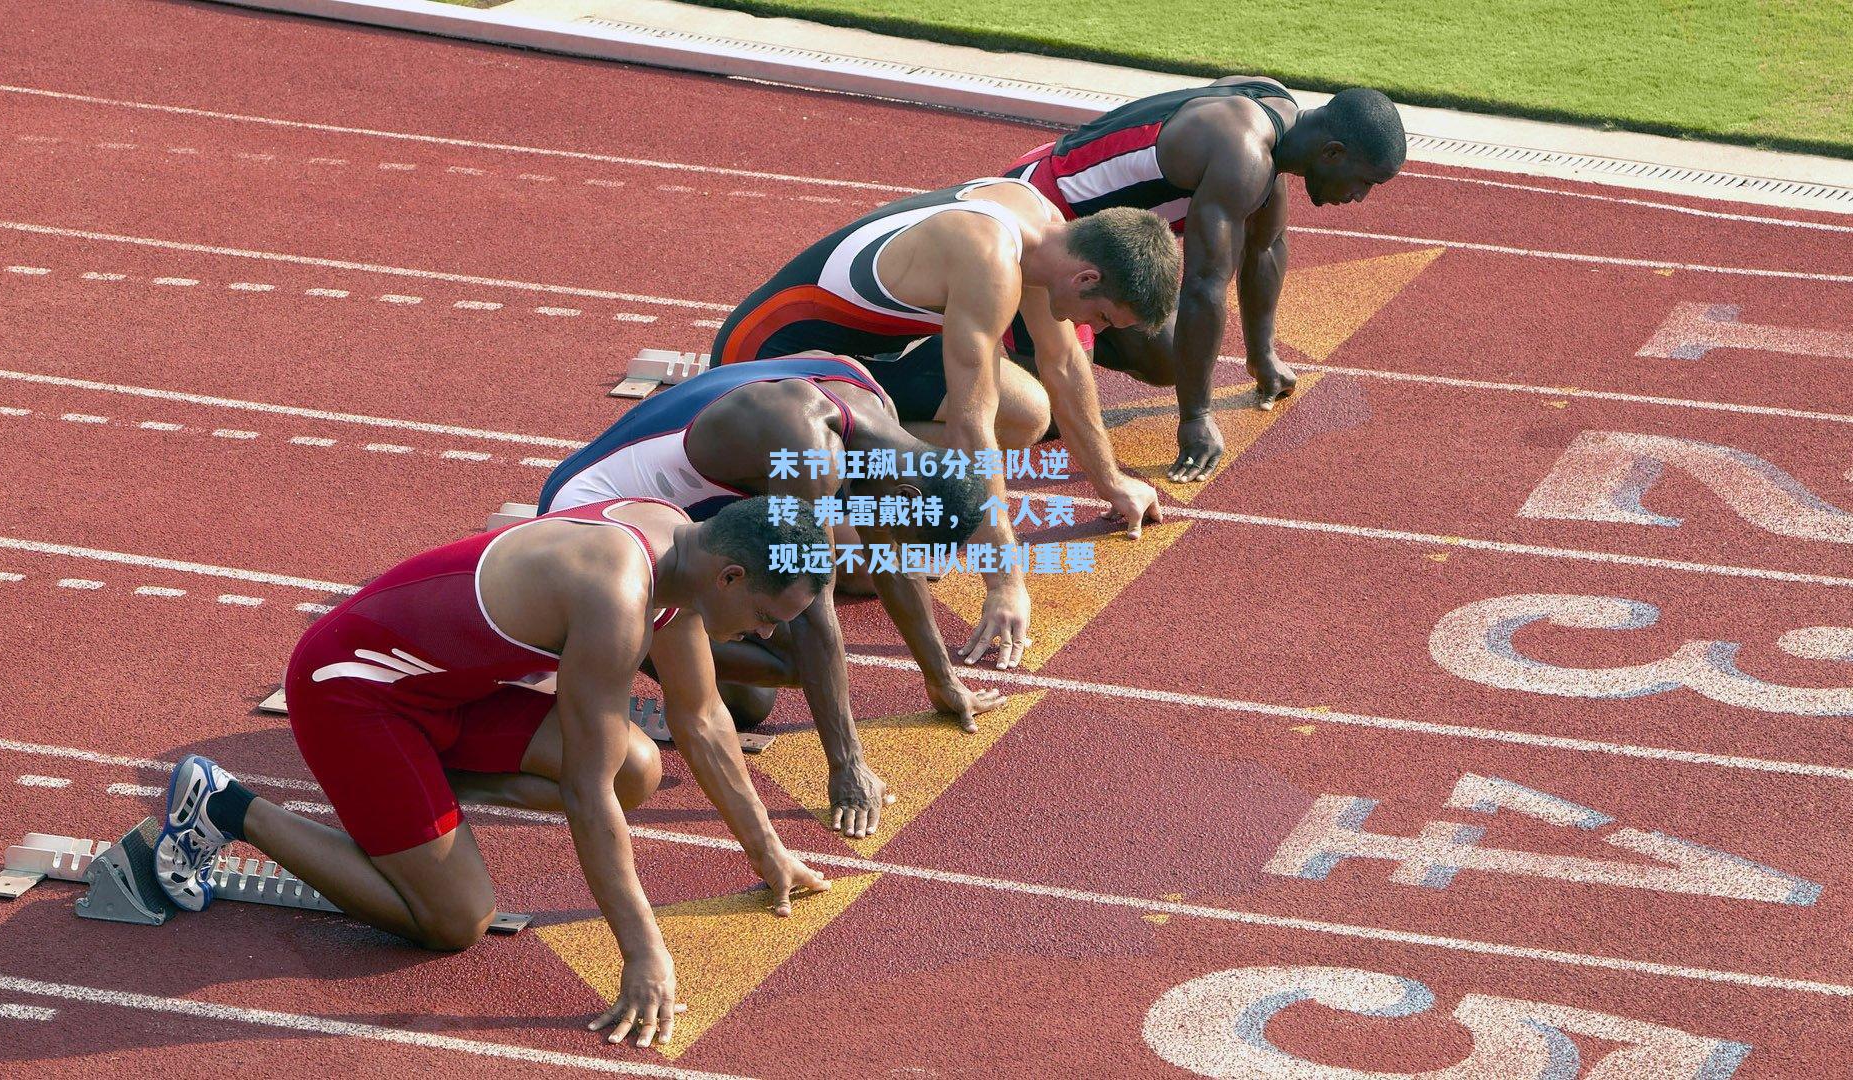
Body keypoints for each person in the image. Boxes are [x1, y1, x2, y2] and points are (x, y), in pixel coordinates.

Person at [154, 496, 831, 1050]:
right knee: (456, 920)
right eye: (769, 619)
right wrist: (644, 952)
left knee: (638, 767)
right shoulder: (617, 596)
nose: (768, 637)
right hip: (353, 692)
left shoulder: (679, 550)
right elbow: (584, 794)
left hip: (444, 696)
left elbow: (704, 717)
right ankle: (225, 806)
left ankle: (408, 807)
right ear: (732, 577)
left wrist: (768, 853)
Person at [710, 176, 1180, 667]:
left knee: (1027, 413)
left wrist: (1111, 481)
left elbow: (1062, 364)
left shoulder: (1049, 234)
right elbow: (969, 430)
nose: (1096, 331)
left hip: (856, 355)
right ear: (1086, 279)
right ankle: (831, 478)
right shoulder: (990, 259)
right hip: (763, 363)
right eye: (1102, 318)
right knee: (867, 564)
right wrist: (1005, 582)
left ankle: (865, 468)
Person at [538, 352, 1005, 838]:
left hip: (666, 517)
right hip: (589, 519)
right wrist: (847, 766)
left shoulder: (873, 409)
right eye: (898, 530)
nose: (886, 543)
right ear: (907, 496)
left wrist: (943, 681)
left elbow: (889, 562)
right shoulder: (808, 455)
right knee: (794, 664)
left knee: (760, 694)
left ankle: (653, 643)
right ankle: (619, 644)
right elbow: (812, 614)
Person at [1005, 82, 1406, 482]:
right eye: (1364, 182)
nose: (1359, 197)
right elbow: (1203, 286)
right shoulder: (1243, 155)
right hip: (1042, 219)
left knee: (1168, 355)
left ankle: (1055, 337)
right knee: (1048, 415)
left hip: (1086, 235)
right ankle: (987, 337)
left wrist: (1262, 355)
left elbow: (1265, 245)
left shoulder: (1276, 115)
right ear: (1332, 152)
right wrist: (1196, 417)